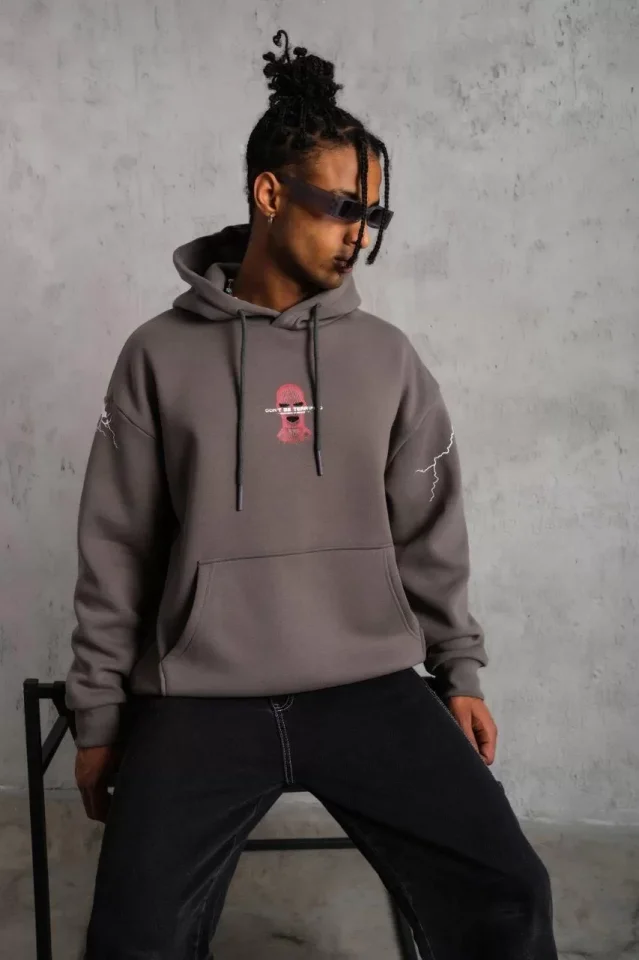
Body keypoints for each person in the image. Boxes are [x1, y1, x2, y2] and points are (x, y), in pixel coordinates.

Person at [66, 30, 558, 960]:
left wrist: (458, 671)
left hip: (367, 687)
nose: (358, 235)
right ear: (268, 194)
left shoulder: (387, 359)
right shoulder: (156, 355)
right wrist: (98, 715)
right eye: (341, 208)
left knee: (508, 889)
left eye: (373, 214)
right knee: (135, 932)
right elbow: (116, 546)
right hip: (201, 697)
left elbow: (429, 531)